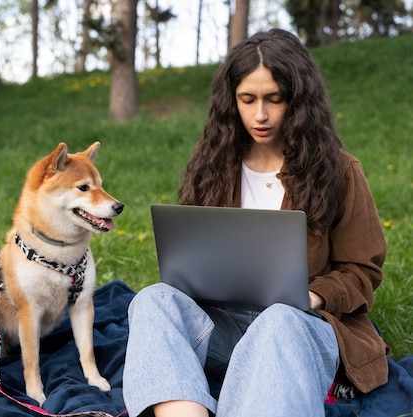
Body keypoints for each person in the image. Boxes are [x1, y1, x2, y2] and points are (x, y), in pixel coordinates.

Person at [122, 28, 388, 417]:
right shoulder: (212, 166)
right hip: (225, 325)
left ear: (297, 101)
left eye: (274, 100)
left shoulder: (339, 170)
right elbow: (192, 258)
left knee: (279, 319)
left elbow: (362, 271)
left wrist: (309, 296)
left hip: (298, 327)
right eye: (247, 100)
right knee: (151, 300)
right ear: (231, 101)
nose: (260, 115)